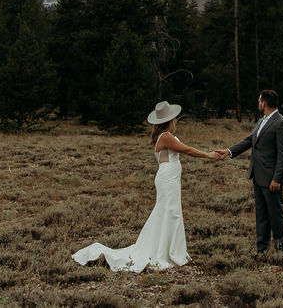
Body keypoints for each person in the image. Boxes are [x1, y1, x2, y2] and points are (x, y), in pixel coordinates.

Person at [72, 100, 221, 272]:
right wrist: (209, 155)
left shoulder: (162, 136)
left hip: (168, 177)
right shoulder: (165, 137)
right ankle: (167, 251)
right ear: (170, 120)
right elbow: (186, 150)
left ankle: (169, 249)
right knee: (170, 212)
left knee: (168, 211)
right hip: (168, 179)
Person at [214, 89, 283, 253]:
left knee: (276, 214)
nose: (258, 104)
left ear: (264, 103)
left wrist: (277, 178)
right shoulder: (261, 121)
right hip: (258, 175)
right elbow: (249, 140)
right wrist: (229, 151)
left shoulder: (281, 123)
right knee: (261, 214)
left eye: (259, 101)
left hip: (271, 178)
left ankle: (281, 251)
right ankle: (261, 249)